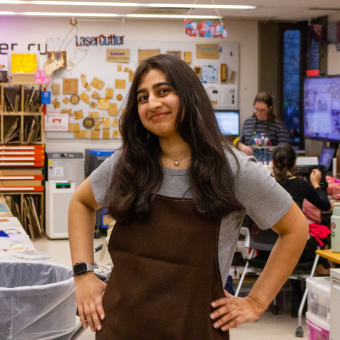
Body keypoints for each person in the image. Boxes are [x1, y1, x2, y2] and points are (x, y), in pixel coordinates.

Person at [68, 55, 308, 339]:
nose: (152, 103)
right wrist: (83, 274)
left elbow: (295, 229)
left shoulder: (233, 170)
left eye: (163, 91)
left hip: (195, 329)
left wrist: (256, 302)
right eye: (143, 97)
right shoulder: (127, 163)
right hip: (122, 326)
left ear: (189, 95)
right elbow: (81, 202)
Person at [272, 145, 331, 316]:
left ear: (274, 164)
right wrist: (315, 184)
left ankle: (297, 294)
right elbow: (325, 205)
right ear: (294, 164)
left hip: (268, 249)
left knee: (291, 239)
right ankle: (319, 298)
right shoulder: (301, 184)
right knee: (319, 242)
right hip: (296, 249)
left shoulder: (269, 184)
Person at [238, 92, 289, 157]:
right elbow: (240, 143)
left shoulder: (278, 126)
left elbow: (284, 150)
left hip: (270, 164)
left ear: (270, 108)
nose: (259, 113)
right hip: (250, 163)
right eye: (256, 109)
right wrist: (242, 147)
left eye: (262, 110)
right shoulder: (248, 122)